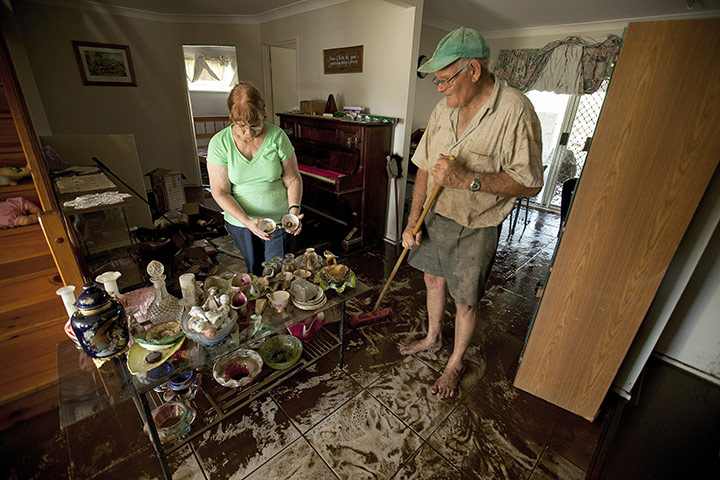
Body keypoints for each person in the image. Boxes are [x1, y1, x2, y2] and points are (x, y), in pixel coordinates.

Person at [401, 27, 544, 398]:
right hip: (436, 214)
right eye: (437, 80)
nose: (440, 88)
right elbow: (423, 167)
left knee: (465, 299)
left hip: (477, 224)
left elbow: (529, 183)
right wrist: (414, 218)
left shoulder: (515, 110)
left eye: (446, 79)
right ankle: (433, 338)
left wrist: (469, 179)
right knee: (433, 279)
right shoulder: (441, 110)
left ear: (474, 71)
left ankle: (455, 362)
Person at [207, 82, 303, 276]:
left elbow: (293, 179)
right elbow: (220, 191)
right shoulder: (220, 143)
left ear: (263, 114)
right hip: (242, 223)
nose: (249, 133)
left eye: (255, 125)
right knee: (255, 272)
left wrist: (293, 211)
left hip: (278, 221)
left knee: (280, 273)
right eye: (241, 126)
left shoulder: (277, 136)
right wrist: (247, 221)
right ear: (232, 119)